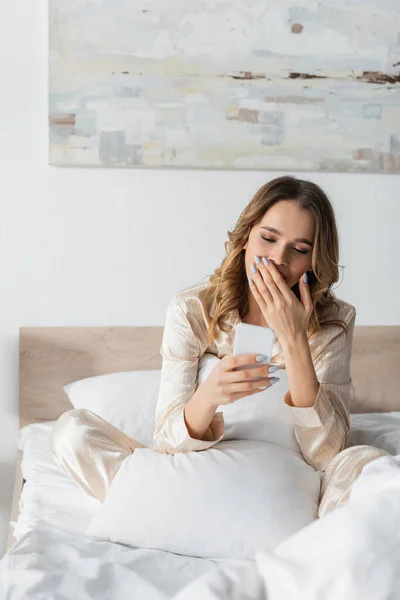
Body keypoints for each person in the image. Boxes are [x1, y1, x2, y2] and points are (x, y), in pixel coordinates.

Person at [50, 176, 389, 518]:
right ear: (245, 237)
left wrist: (294, 338)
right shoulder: (193, 310)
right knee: (72, 432)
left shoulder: (335, 321)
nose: (278, 259)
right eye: (268, 238)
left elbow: (327, 455)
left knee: (367, 464)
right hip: (197, 472)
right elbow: (167, 444)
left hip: (286, 480)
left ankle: (292, 529)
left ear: (314, 260)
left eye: (299, 250)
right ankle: (180, 515)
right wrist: (209, 394)